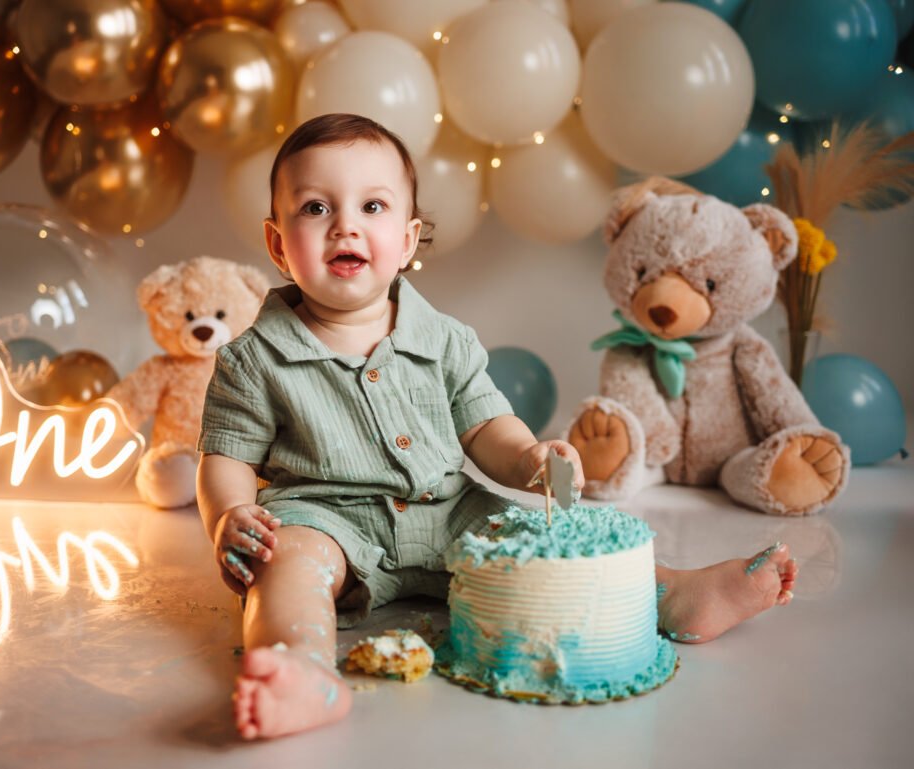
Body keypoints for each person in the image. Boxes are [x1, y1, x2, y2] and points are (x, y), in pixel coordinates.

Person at [196, 113, 798, 741]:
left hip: (451, 511)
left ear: (406, 241)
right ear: (277, 244)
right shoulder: (253, 357)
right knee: (285, 564)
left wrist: (532, 457)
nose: (346, 225)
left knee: (548, 540)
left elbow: (487, 427)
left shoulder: (447, 341)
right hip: (325, 520)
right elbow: (226, 457)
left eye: (371, 206)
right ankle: (301, 671)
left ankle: (671, 594)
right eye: (316, 207)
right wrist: (228, 518)